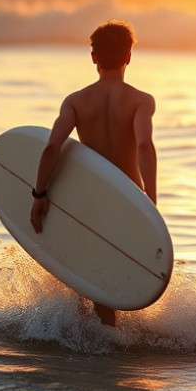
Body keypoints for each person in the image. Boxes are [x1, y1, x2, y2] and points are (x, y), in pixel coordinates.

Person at [29, 19, 157, 327]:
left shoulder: (75, 102)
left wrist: (39, 195)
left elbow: (51, 149)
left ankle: (82, 343)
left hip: (87, 201)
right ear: (128, 57)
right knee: (114, 278)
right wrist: (150, 200)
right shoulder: (141, 101)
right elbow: (144, 147)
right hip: (126, 200)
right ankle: (109, 347)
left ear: (93, 57)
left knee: (85, 275)